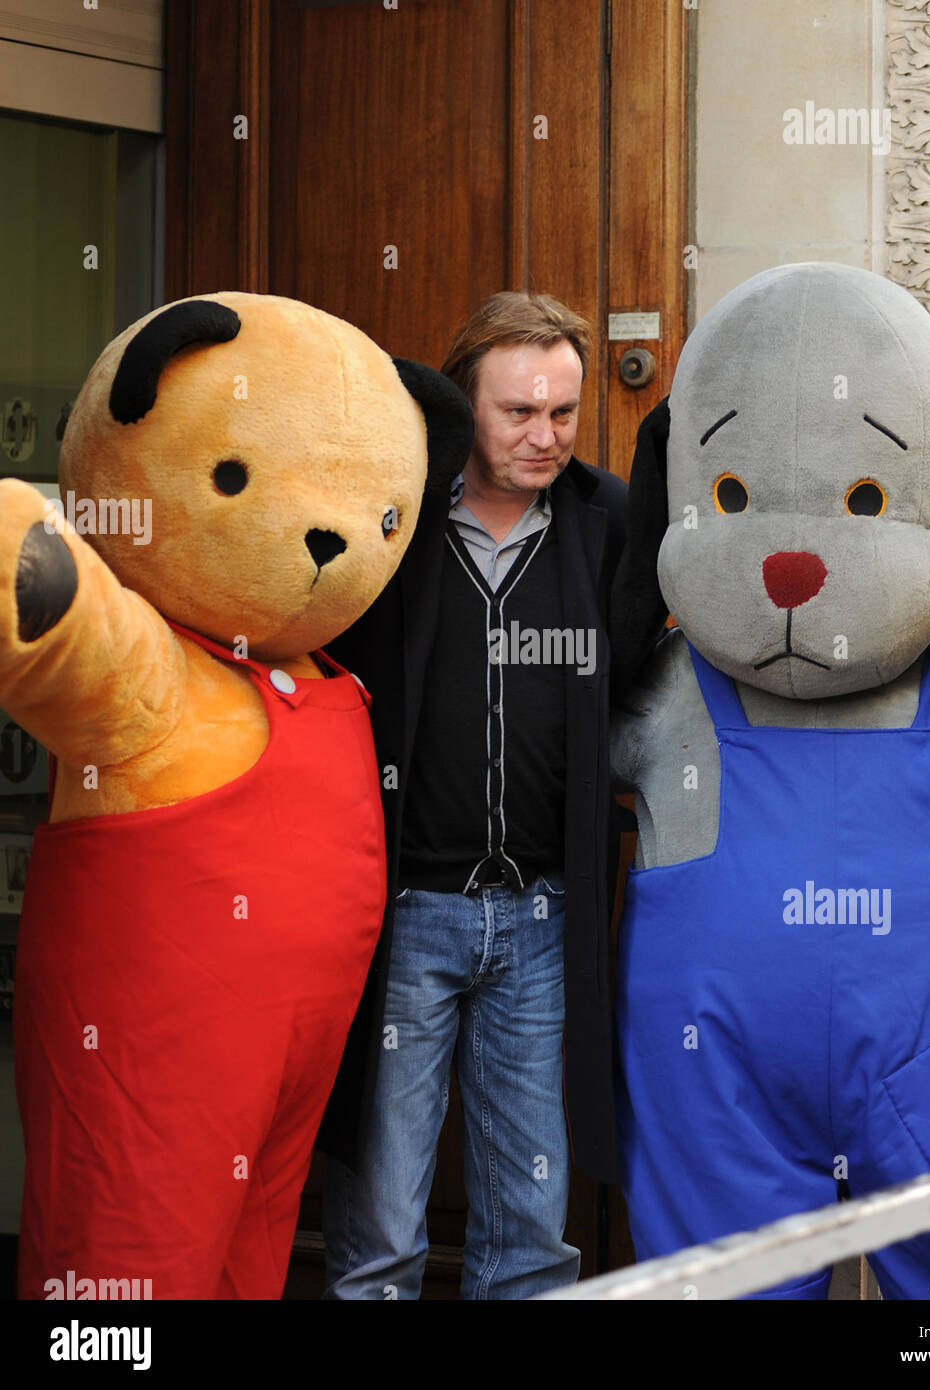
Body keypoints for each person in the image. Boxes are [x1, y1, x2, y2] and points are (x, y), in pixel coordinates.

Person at [318, 291, 628, 1300]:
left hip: (540, 919)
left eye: (563, 414)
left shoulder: (605, 524)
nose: (544, 437)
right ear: (463, 403)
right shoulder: (391, 524)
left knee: (532, 1239)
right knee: (380, 1231)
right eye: (516, 413)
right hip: (406, 914)